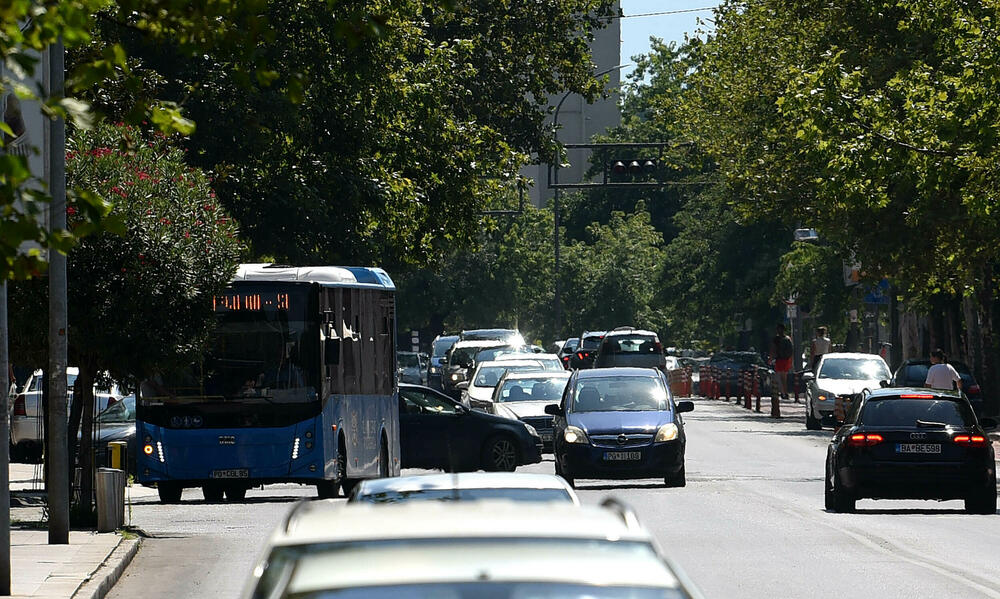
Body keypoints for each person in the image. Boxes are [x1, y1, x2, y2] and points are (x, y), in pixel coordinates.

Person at [770, 324, 794, 400]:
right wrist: (791, 361)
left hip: (779, 359)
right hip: (786, 360)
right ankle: (785, 392)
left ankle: (782, 392)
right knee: (784, 377)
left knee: (779, 377)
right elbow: (791, 351)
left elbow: (773, 349)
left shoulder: (776, 339)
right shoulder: (788, 339)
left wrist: (771, 358)